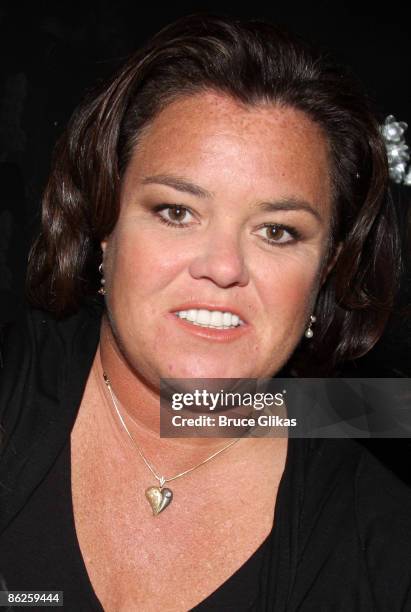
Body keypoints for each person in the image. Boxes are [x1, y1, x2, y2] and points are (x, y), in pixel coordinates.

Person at [1, 13, 410, 612]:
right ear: (104, 225)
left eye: (277, 231)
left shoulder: (381, 542)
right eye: (176, 212)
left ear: (326, 269)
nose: (223, 267)